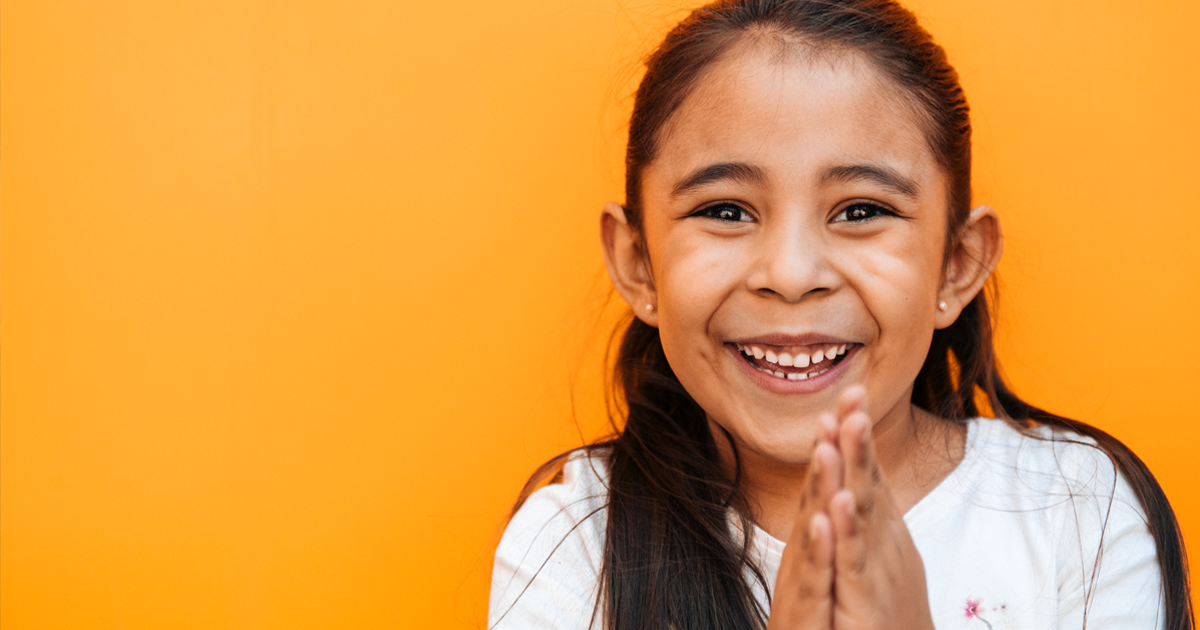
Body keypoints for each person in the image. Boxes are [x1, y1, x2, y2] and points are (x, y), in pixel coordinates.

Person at [487, 0, 1193, 628]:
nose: (792, 276)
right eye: (725, 211)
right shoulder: (574, 544)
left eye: (862, 211)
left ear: (958, 263)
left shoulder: (1078, 513)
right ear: (638, 263)